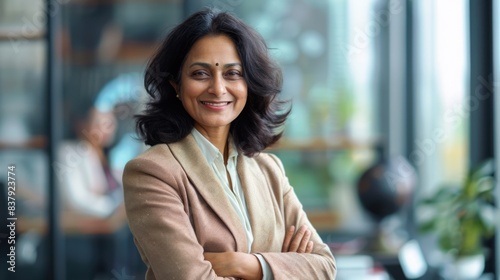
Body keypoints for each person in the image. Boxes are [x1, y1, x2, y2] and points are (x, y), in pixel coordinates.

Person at [123, 8, 337, 280]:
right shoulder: (152, 173)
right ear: (175, 84)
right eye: (200, 74)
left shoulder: (269, 169)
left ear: (249, 83)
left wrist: (246, 265)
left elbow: (324, 266)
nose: (218, 88)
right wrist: (284, 268)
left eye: (232, 73)